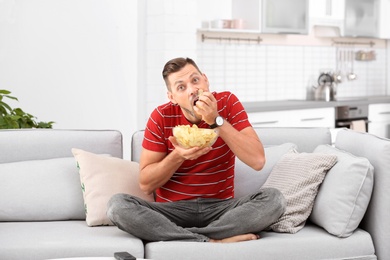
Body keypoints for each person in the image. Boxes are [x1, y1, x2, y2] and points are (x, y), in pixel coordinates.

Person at [107, 57, 285, 243]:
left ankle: (184, 237)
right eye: (181, 87)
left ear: (205, 80)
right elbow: (146, 184)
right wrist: (177, 156)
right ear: (172, 97)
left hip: (221, 209)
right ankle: (212, 240)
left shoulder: (227, 103)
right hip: (172, 211)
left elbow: (257, 161)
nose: (192, 89)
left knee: (275, 199)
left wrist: (216, 120)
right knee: (117, 205)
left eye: (195, 80)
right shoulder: (161, 116)